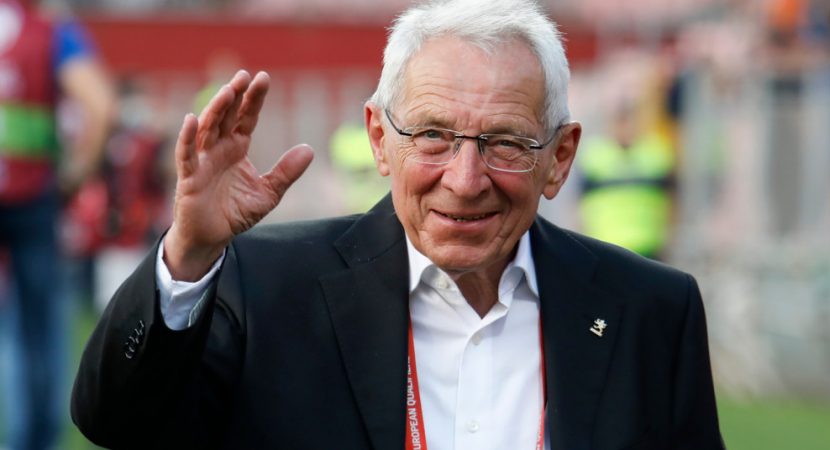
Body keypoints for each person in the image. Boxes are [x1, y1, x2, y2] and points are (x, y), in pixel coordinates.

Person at [71, 0, 724, 449]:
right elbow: (116, 423)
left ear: (559, 157)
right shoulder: (264, 288)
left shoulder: (650, 311)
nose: (465, 180)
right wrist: (187, 253)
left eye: (504, 142)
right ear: (380, 140)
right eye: (433, 136)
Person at [0, 0, 114, 449]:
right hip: (33, 199)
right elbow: (100, 107)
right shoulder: (49, 31)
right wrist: (75, 175)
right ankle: (35, 436)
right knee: (40, 326)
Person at [577, 101, 676, 260]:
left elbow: (671, 199)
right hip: (606, 245)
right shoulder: (594, 156)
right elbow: (580, 203)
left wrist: (668, 237)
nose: (625, 128)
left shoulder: (656, 154)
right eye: (621, 122)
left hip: (648, 246)